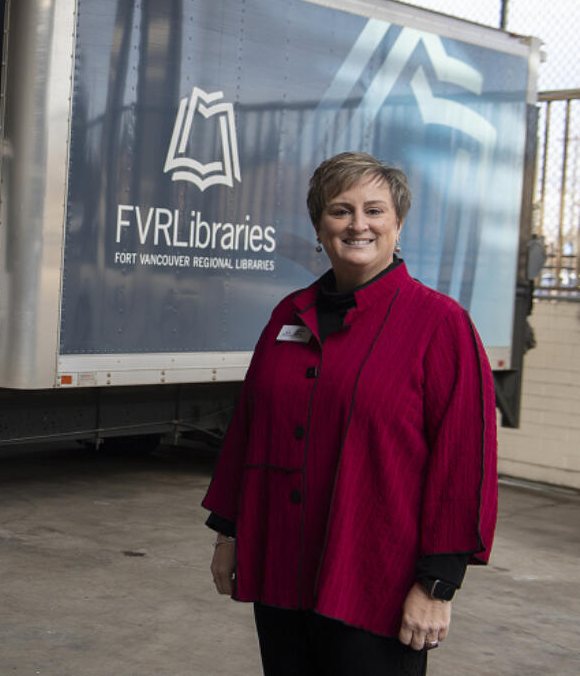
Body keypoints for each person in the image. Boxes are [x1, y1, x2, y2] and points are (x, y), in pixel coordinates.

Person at [202, 152, 498, 676]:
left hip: (377, 580)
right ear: (319, 227)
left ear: (397, 224)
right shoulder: (288, 316)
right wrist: (229, 534)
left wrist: (437, 584)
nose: (358, 224)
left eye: (374, 210)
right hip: (282, 567)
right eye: (340, 210)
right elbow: (249, 428)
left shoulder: (440, 324)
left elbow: (464, 463)